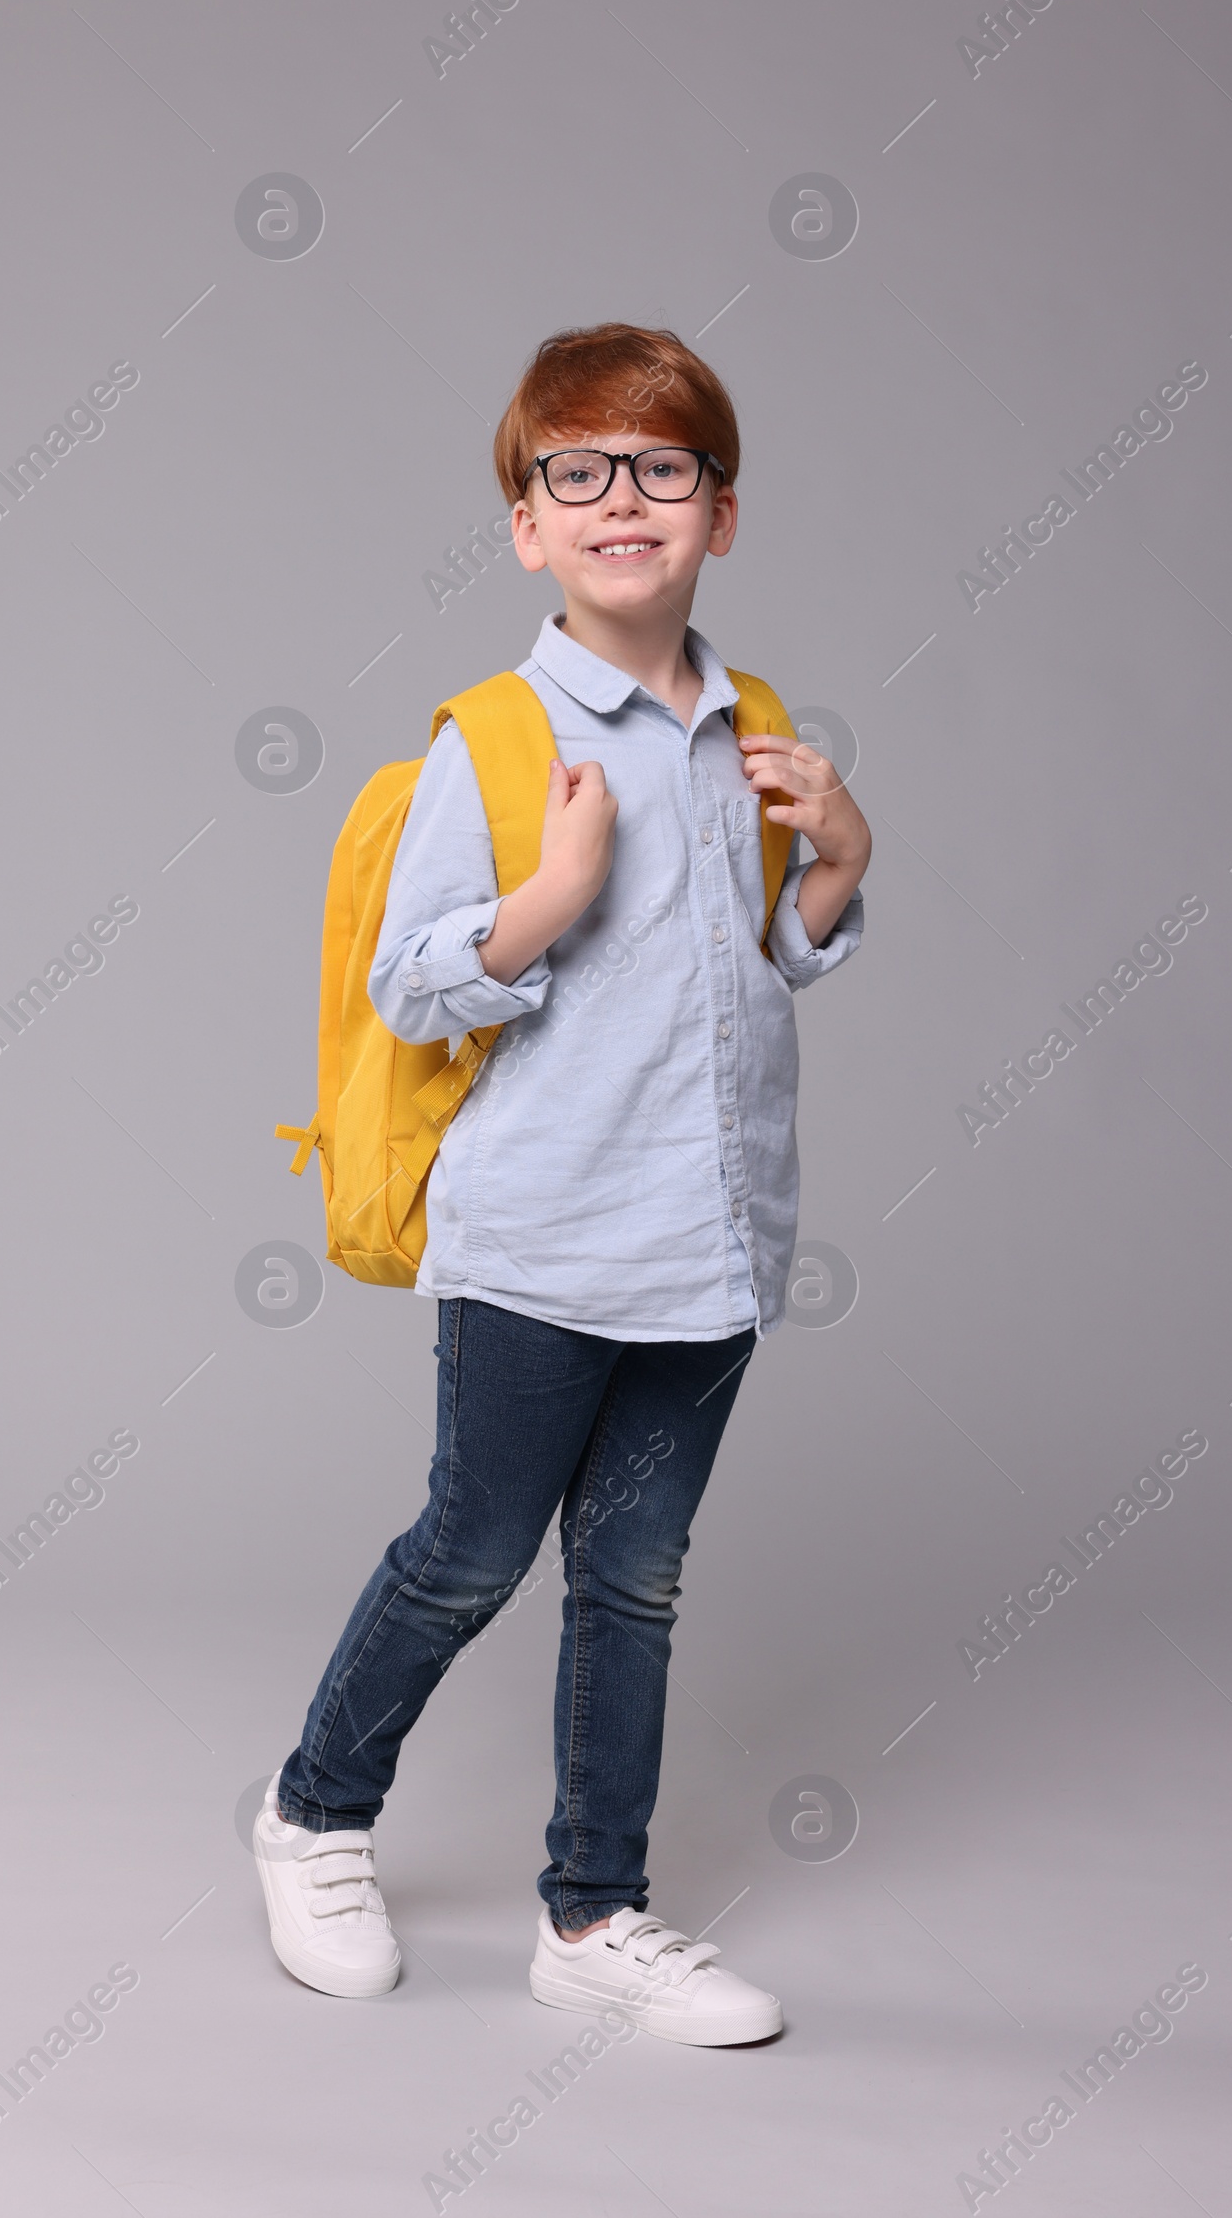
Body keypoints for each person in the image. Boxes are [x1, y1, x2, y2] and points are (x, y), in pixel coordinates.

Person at [255, 322, 872, 2044]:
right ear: (528, 525)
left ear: (720, 516)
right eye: (576, 473)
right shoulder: (499, 741)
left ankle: (594, 1910)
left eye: (664, 470)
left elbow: (764, 961)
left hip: (715, 1245)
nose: (622, 501)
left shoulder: (753, 727)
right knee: (470, 1551)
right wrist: (554, 891)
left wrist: (840, 857)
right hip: (538, 1246)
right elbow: (415, 984)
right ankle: (313, 1812)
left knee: (637, 1580)